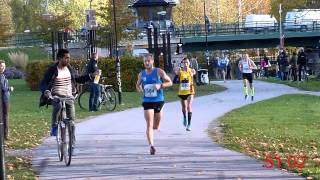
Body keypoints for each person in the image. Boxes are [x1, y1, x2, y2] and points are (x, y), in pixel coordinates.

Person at [40, 49, 97, 137]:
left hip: (68, 96)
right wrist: (46, 92)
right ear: (60, 58)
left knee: (71, 120)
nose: (68, 60)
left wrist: (90, 76)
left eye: (69, 58)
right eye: (66, 58)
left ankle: (71, 143)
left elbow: (78, 78)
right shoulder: (52, 69)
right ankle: (54, 126)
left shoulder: (69, 68)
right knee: (58, 105)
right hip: (56, 96)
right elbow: (43, 83)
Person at [136, 53, 172, 155]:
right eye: (145, 61)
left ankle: (154, 133)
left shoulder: (159, 71)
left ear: (152, 61)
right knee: (149, 125)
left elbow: (170, 82)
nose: (146, 63)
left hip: (159, 101)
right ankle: (151, 146)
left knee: (155, 126)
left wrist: (160, 85)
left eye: (148, 61)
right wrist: (139, 89)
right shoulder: (141, 74)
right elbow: (137, 85)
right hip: (147, 101)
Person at [175, 57, 196, 131]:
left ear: (189, 63)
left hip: (190, 91)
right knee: (184, 107)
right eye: (184, 63)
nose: (186, 64)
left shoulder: (192, 70)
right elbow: (176, 72)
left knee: (189, 106)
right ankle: (184, 117)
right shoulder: (180, 71)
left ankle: (189, 125)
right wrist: (177, 68)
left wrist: (192, 73)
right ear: (182, 64)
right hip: (182, 91)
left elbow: (194, 73)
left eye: (187, 62)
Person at [0, 60, 13, 140]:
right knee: (5, 116)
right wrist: (10, 88)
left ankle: (4, 134)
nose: (3, 68)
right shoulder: (1, 76)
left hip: (4, 98)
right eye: (1, 66)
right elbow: (4, 88)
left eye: (4, 66)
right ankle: (5, 135)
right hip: (4, 99)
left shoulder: (2, 75)